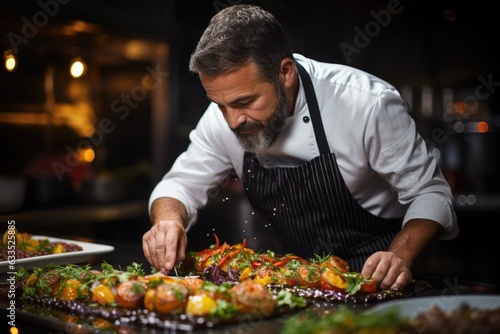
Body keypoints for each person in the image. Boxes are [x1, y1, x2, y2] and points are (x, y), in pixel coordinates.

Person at [142, 4, 459, 290]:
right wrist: (168, 220)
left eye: (246, 102)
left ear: (285, 73)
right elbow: (180, 184)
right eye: (220, 105)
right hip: (294, 282)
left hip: (375, 280)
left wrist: (399, 257)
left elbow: (430, 195)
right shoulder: (223, 114)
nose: (232, 120)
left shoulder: (366, 104)